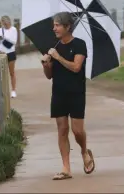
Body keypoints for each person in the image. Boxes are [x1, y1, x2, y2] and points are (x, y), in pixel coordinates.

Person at [41, 11, 95, 180]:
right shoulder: (53, 46)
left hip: (76, 92)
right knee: (62, 130)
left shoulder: (80, 44)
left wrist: (58, 57)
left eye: (57, 25)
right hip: (58, 92)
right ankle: (66, 167)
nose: (54, 28)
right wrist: (46, 64)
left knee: (77, 131)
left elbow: (76, 67)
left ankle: (84, 151)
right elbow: (49, 76)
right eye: (54, 25)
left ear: (67, 27)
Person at [0, 15, 18, 98]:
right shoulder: (0, 30)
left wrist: (4, 40)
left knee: (11, 72)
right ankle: (3, 91)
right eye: (4, 24)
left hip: (11, 53)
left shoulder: (14, 29)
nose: (6, 25)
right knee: (2, 73)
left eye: (7, 24)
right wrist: (3, 42)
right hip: (2, 53)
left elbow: (13, 42)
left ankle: (13, 90)